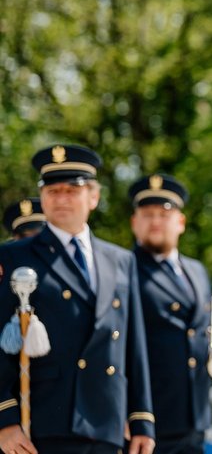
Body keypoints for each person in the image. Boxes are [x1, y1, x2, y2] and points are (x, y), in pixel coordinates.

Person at [0, 144, 155, 454]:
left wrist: (141, 420)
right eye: (53, 190)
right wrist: (4, 419)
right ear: (42, 197)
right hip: (42, 421)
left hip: (107, 422)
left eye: (72, 189)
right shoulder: (13, 256)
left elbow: (133, 344)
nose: (61, 199)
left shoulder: (120, 260)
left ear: (93, 197)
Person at [130, 173, 212, 454]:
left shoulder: (197, 271)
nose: (155, 221)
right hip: (149, 420)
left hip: (195, 416)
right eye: (147, 214)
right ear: (134, 222)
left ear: (180, 222)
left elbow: (201, 327)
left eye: (164, 214)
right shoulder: (123, 269)